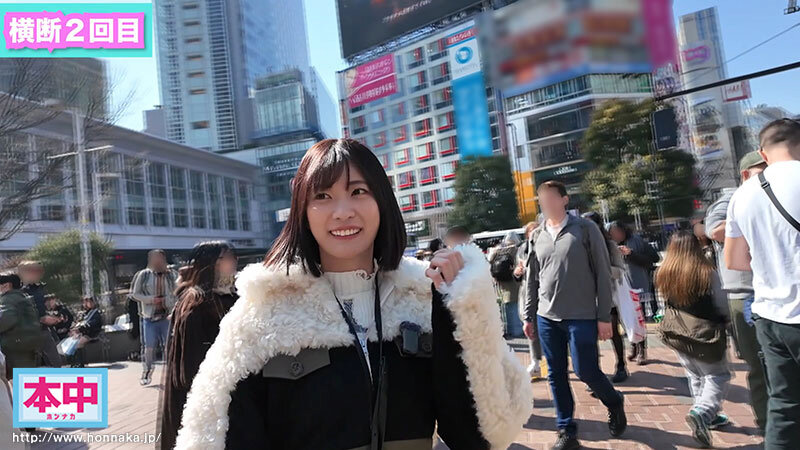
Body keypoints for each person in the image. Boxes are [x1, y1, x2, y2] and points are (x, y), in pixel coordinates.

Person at [174, 139, 531, 449]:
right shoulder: (264, 312)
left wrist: (464, 304)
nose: (343, 212)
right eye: (323, 196)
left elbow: (482, 435)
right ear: (303, 212)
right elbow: (216, 436)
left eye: (358, 191)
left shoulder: (421, 299)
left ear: (382, 201)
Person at [524, 181, 626, 450]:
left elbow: (603, 273)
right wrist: (528, 315)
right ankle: (566, 430)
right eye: (541, 200)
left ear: (564, 200)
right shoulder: (537, 235)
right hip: (547, 316)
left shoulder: (585, 229)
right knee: (555, 374)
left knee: (585, 370)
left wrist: (604, 316)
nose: (545, 204)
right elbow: (532, 278)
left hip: (582, 314)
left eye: (550, 198)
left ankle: (614, 401)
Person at [725, 119, 800, 449]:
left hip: (769, 316)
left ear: (763, 152)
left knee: (783, 406)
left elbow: (734, 260)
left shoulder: (743, 194)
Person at [704, 150, 768, 432]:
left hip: (775, 291)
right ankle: (767, 423)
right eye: (761, 171)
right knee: (759, 363)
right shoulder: (731, 199)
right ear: (745, 174)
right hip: (745, 294)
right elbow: (714, 231)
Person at [160, 241, 239, 450]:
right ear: (211, 263)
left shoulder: (232, 294)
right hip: (207, 393)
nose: (234, 261)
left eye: (234, 256)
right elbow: (190, 364)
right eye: (228, 257)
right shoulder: (196, 302)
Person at [656, 231, 731, 448]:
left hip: (678, 332)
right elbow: (721, 303)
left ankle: (706, 418)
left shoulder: (664, 272)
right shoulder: (706, 271)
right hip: (705, 332)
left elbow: (662, 303)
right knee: (717, 375)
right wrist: (726, 321)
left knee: (695, 374)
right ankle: (703, 412)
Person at [583, 212, 629, 383]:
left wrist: (603, 270)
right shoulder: (578, 245)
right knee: (590, 336)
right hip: (585, 298)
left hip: (607, 296)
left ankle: (621, 365)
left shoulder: (609, 245)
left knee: (613, 332)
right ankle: (595, 374)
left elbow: (620, 271)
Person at [608, 221, 659, 365]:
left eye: (618, 232)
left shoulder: (637, 241)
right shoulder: (610, 245)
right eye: (613, 233)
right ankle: (634, 346)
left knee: (638, 318)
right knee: (626, 319)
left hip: (637, 287)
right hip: (620, 288)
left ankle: (642, 350)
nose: (616, 235)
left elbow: (654, 258)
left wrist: (631, 254)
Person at [132, 249, 178, 385]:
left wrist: (171, 304)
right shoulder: (144, 275)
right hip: (149, 317)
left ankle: (172, 373)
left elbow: (179, 292)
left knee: (169, 345)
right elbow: (135, 294)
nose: (157, 262)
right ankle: (147, 371)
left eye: (159, 259)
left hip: (167, 316)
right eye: (154, 259)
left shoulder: (172, 275)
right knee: (149, 347)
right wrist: (151, 299)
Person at [18, 261, 61, 367]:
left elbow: (43, 307)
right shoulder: (18, 291)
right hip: (27, 333)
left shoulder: (40, 288)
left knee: (55, 362)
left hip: (44, 331)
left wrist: (53, 317)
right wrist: (40, 319)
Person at [0, 272, 42, 379]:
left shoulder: (8, 299)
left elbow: (5, 320)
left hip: (15, 348)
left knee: (19, 380)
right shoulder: (21, 297)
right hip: (26, 345)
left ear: (6, 285)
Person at [515, 221, 543, 378]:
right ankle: (535, 362)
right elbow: (517, 274)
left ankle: (557, 361)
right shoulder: (522, 249)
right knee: (530, 327)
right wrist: (517, 272)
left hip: (544, 293)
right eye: (532, 232)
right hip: (526, 292)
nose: (535, 234)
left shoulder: (545, 245)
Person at [490, 232, 524, 338]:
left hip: (501, 283)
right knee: (515, 305)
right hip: (514, 282)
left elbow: (490, 263)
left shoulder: (498, 251)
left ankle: (507, 329)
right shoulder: (517, 250)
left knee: (505, 306)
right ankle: (516, 331)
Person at [68, 296, 102, 368]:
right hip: (83, 333)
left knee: (78, 343)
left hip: (92, 333)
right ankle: (74, 363)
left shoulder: (96, 313)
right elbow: (78, 323)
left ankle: (80, 363)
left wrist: (79, 330)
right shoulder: (84, 313)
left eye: (88, 302)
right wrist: (74, 329)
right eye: (85, 302)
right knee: (71, 342)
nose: (86, 304)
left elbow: (91, 325)